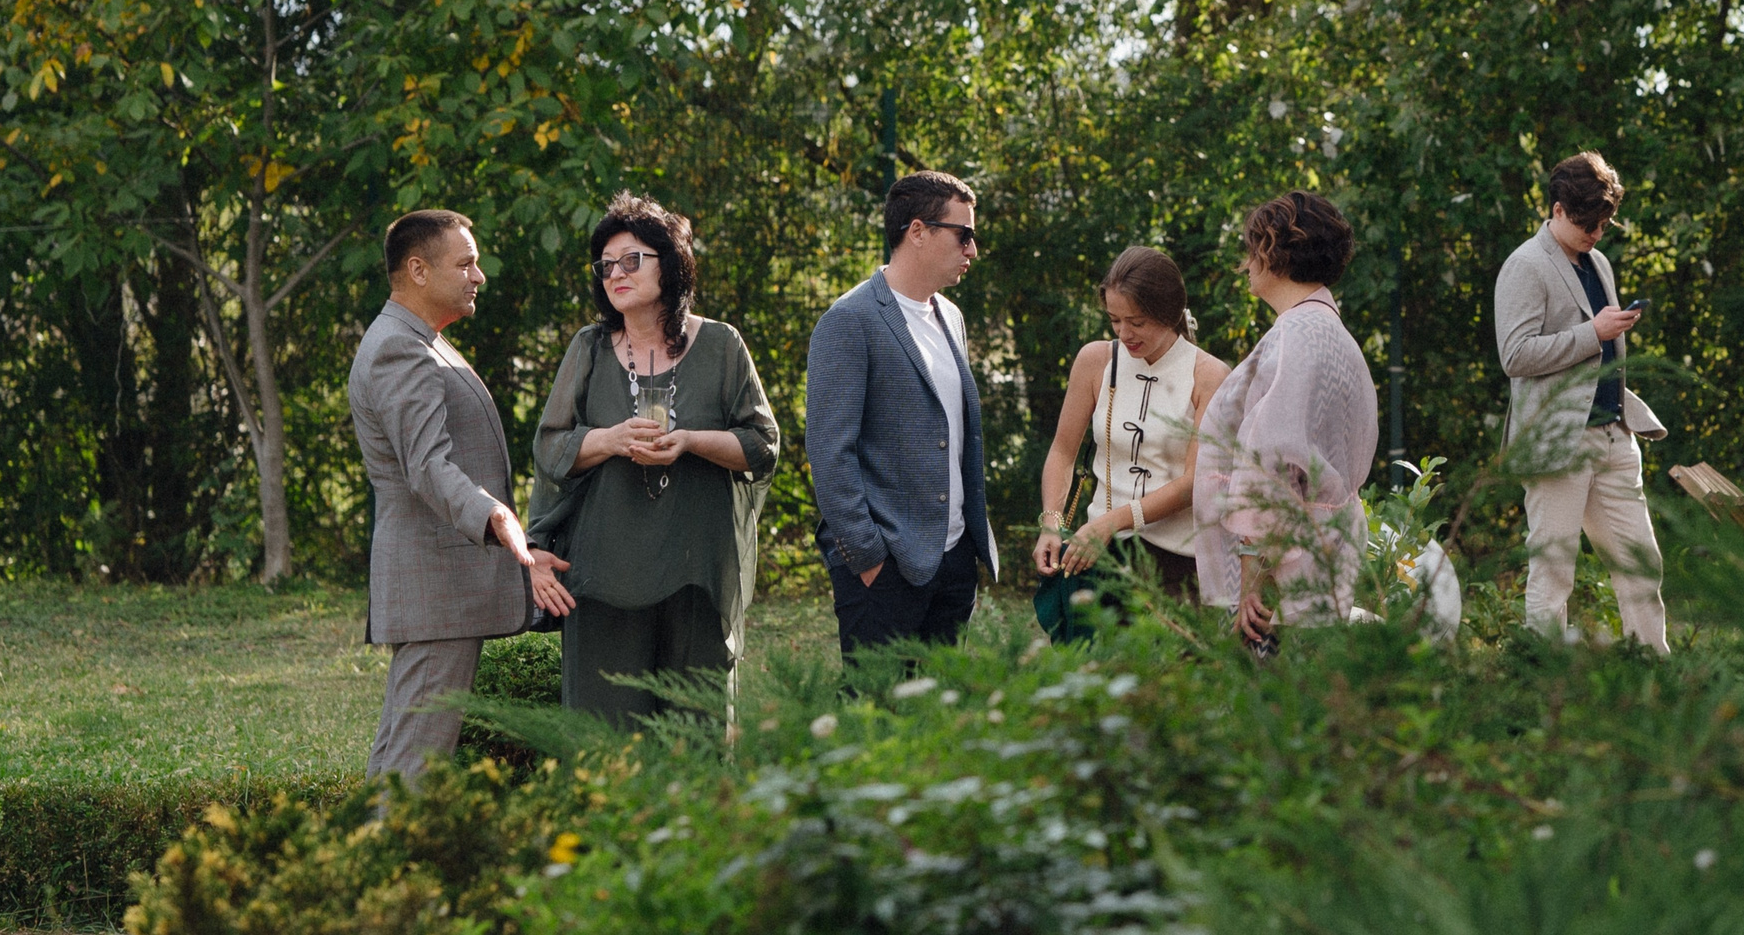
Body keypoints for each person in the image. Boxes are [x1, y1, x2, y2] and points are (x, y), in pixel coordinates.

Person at [528, 193, 780, 725]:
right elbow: (551, 446)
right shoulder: (589, 349)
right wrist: (611, 440)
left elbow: (762, 444)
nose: (615, 274)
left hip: (697, 569)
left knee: (697, 734)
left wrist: (689, 441)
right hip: (601, 573)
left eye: (632, 260)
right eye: (605, 266)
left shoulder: (722, 345)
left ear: (673, 263)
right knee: (605, 737)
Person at [349, 209, 574, 783]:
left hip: (442, 589)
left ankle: (373, 866)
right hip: (434, 593)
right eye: (466, 263)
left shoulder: (422, 341)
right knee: (413, 765)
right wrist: (497, 516)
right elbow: (428, 465)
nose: (480, 276)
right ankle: (386, 870)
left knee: (406, 757)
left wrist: (512, 550)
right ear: (418, 270)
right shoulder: (400, 348)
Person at [805, 171, 999, 658]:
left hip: (955, 560)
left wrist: (966, 551)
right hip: (884, 567)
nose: (972, 250)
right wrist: (868, 558)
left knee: (939, 717)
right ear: (918, 231)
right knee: (876, 718)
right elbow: (830, 455)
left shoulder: (951, 316)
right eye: (964, 235)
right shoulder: (849, 320)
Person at [1496, 152, 1670, 652]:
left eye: (1604, 223)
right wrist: (1593, 332)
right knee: (1553, 576)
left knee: (1642, 568)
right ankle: (1541, 685)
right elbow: (1515, 355)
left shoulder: (1599, 261)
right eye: (1587, 223)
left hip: (1615, 434)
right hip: (1558, 441)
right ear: (1556, 210)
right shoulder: (1525, 265)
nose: (1596, 233)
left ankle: (1655, 673)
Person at [1194, 191, 1378, 647]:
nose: (1247, 262)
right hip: (1324, 563)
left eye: (1253, 248)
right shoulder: (1331, 333)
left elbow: (1270, 468)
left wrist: (1251, 581)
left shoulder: (1297, 335)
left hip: (1287, 577)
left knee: (1278, 705)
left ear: (1273, 252)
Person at [1034, 247, 1231, 598]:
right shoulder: (1094, 360)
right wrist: (1052, 523)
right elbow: (1063, 450)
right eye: (1114, 320)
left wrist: (1113, 521)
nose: (1124, 333)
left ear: (1170, 313)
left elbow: (1194, 482)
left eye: (1137, 322)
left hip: (1178, 565)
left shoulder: (1210, 375)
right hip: (1100, 556)